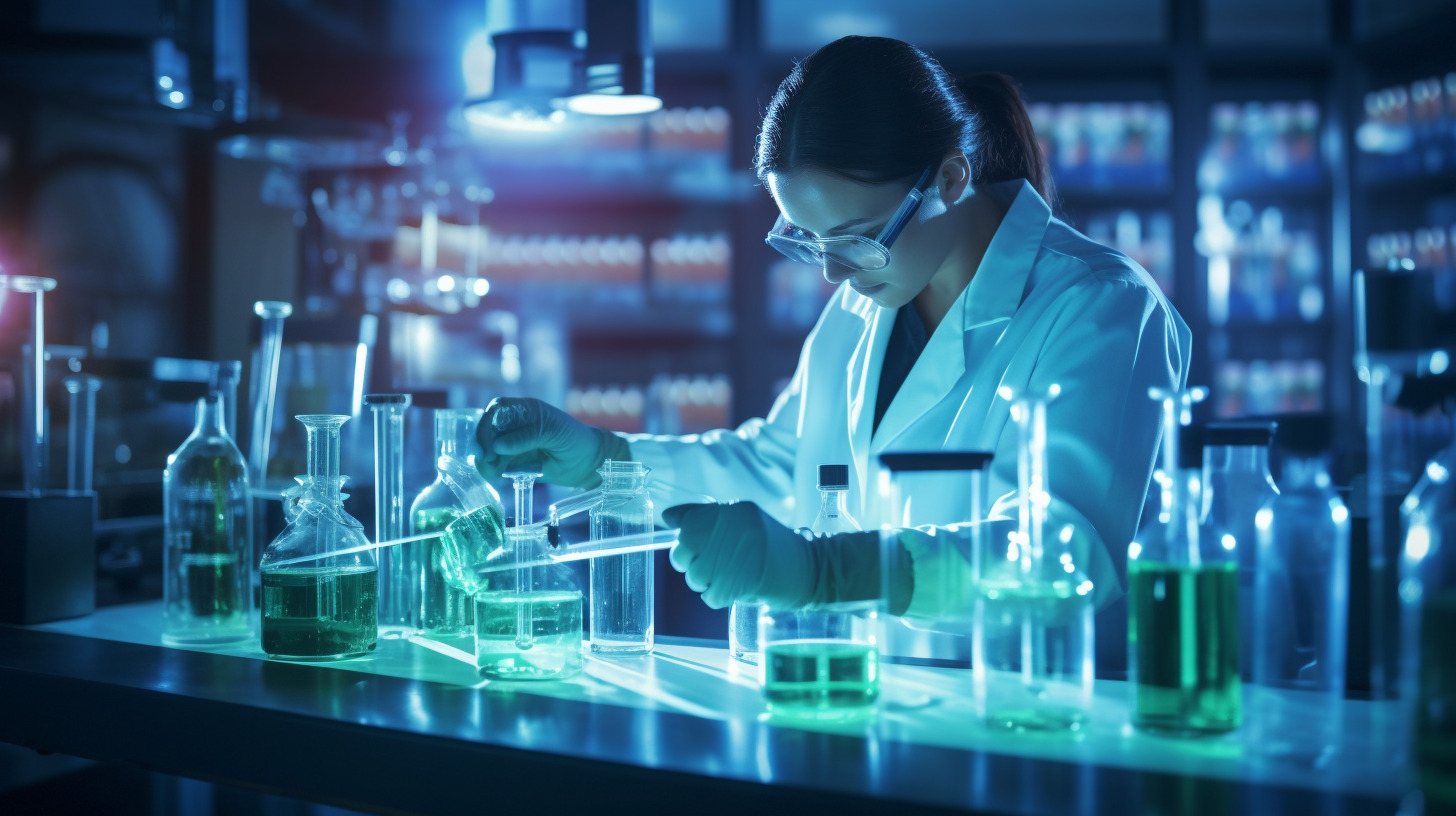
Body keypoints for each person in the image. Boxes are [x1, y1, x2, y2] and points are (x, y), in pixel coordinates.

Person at [477, 36, 1190, 627]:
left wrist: (832, 573)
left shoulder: (1098, 305)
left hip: (1026, 714)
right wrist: (603, 461)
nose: (832, 274)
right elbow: (781, 466)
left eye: (855, 238)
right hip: (867, 701)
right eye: (810, 241)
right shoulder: (870, 296)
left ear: (948, 180)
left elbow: (1066, 552)